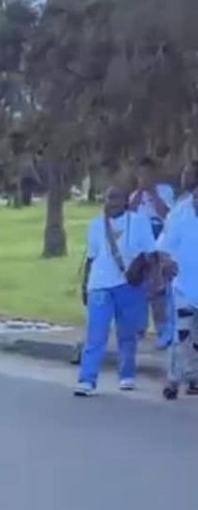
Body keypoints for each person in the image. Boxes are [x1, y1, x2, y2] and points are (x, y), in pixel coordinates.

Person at [74, 186, 157, 396]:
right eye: (109, 198)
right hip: (100, 285)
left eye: (116, 198)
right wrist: (85, 285)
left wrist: (150, 280)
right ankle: (87, 379)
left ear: (126, 201)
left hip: (129, 285)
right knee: (96, 334)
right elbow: (91, 258)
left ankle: (127, 375)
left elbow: (151, 254)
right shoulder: (95, 225)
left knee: (127, 333)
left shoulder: (139, 222)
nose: (112, 202)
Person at [158, 185, 198, 399]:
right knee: (182, 334)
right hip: (184, 287)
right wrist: (166, 262)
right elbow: (165, 246)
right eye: (195, 198)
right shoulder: (180, 214)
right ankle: (173, 381)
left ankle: (194, 378)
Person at [130, 157, 175, 347]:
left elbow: (166, 215)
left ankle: (163, 329)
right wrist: (140, 193)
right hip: (140, 242)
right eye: (141, 175)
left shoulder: (165, 191)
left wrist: (153, 193)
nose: (144, 178)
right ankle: (138, 327)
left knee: (157, 288)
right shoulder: (135, 196)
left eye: (148, 174)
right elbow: (130, 215)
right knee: (139, 287)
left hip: (158, 238)